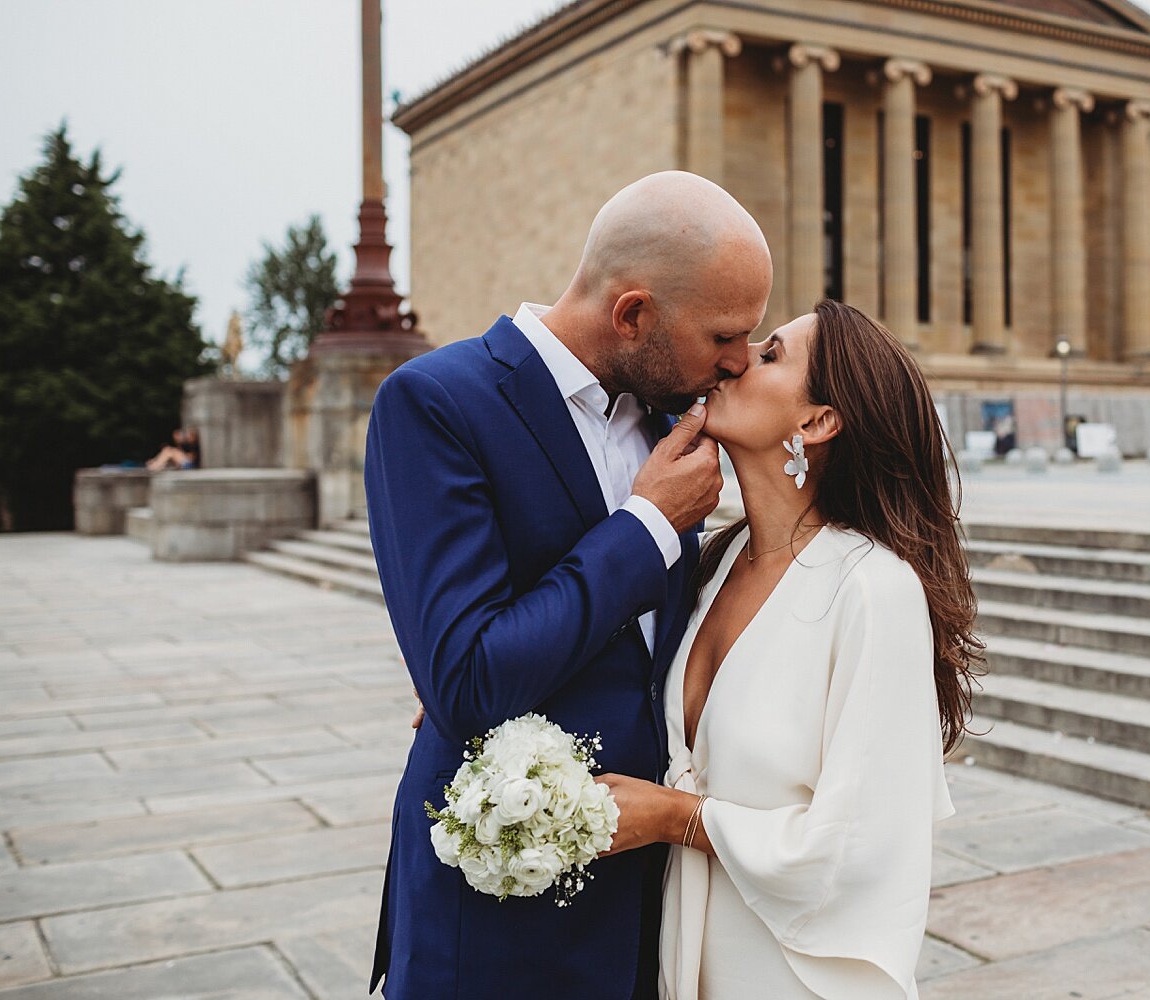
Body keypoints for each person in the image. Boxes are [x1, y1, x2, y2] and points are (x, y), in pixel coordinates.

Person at [363, 171, 772, 1000]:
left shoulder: (675, 423)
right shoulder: (438, 403)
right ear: (633, 315)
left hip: (648, 902)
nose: (737, 362)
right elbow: (468, 679)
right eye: (725, 334)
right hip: (497, 897)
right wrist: (649, 525)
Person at [599, 299, 983, 999]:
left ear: (817, 421)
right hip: (684, 959)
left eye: (770, 354)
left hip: (792, 973)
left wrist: (673, 817)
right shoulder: (714, 564)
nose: (739, 359)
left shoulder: (872, 590)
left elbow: (860, 844)